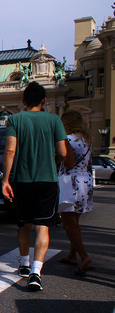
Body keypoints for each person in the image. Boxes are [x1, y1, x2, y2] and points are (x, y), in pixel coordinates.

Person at [1, 81, 67, 291]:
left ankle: (23, 263)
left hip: (23, 179)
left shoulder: (15, 120)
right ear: (44, 100)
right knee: (43, 226)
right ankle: (35, 272)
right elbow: (63, 152)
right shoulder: (54, 119)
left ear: (23, 101)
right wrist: (52, 163)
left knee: (24, 224)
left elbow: (10, 151)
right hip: (47, 179)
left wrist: (5, 179)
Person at [57, 109, 94, 275]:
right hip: (84, 181)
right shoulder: (86, 139)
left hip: (70, 183)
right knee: (75, 222)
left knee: (68, 224)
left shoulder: (68, 140)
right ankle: (72, 255)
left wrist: (58, 158)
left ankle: (84, 256)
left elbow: (69, 163)